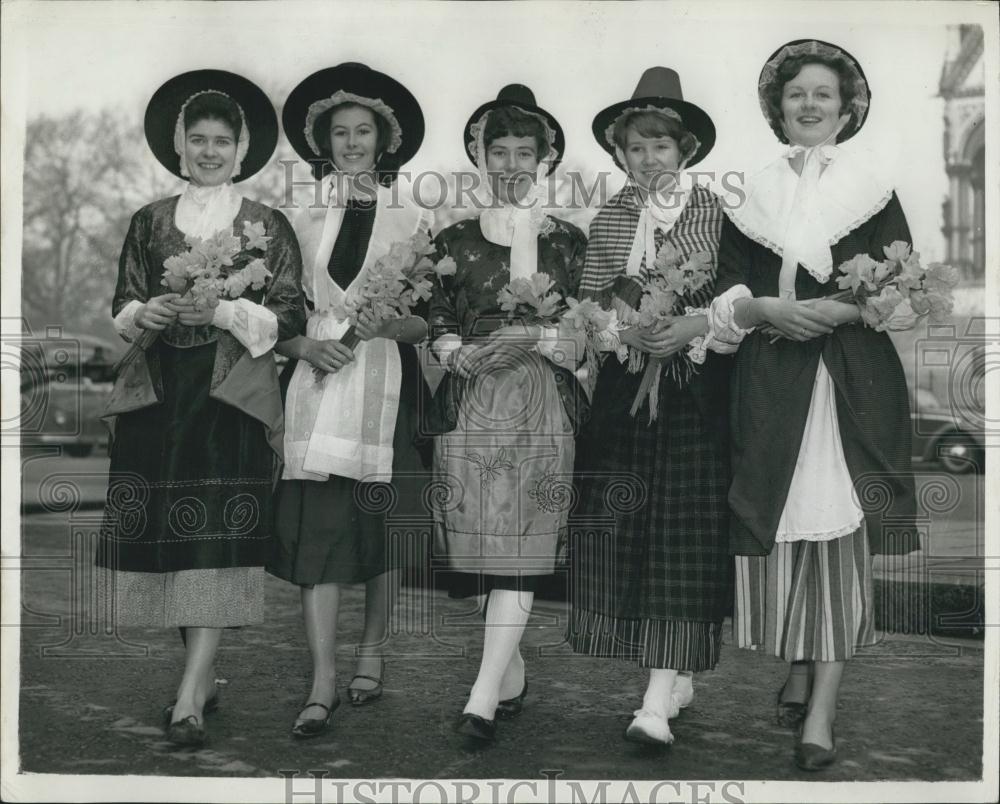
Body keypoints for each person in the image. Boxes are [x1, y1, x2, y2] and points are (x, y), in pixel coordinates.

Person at [702, 39, 920, 770]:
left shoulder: (875, 188)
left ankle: (821, 709)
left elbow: (900, 285)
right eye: (796, 94)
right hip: (771, 381)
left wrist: (839, 312)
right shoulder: (751, 191)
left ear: (847, 107)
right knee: (784, 520)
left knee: (840, 524)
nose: (809, 105)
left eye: (824, 94)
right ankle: (797, 664)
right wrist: (765, 307)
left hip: (851, 377)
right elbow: (728, 288)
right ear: (778, 107)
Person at [98, 69, 305, 747]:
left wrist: (221, 307)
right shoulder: (150, 220)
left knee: (214, 538)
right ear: (180, 147)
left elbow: (286, 315)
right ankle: (202, 671)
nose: (210, 151)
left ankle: (190, 694)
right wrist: (146, 310)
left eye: (223, 140)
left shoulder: (266, 226)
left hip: (227, 396)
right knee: (172, 538)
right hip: (159, 395)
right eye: (199, 140)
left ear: (242, 149)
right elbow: (123, 302)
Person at [567, 68, 732, 747]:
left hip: (692, 394)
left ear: (684, 150)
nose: (649, 158)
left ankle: (657, 702)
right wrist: (619, 329)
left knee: (679, 537)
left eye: (661, 145)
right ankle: (673, 675)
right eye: (636, 147)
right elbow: (590, 301)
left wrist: (687, 329)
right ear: (621, 154)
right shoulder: (610, 216)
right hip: (623, 395)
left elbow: (731, 304)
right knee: (628, 529)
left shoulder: (714, 211)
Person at [268, 63, 431, 739]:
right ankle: (322, 679)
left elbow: (429, 318)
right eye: (342, 133)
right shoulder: (299, 219)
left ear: (384, 141)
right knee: (322, 534)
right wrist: (304, 347)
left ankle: (371, 650)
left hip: (389, 385)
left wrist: (389, 325)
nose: (354, 142)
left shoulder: (412, 217)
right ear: (324, 144)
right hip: (318, 381)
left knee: (380, 527)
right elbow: (276, 313)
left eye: (365, 131)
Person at [427, 85, 587, 743]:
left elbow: (584, 330)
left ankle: (482, 698)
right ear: (481, 157)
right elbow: (436, 314)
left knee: (521, 548)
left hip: (544, 404)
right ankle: (510, 667)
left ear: (545, 158)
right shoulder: (456, 237)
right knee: (482, 551)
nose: (514, 163)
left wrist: (537, 339)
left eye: (527, 151)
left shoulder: (570, 242)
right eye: (501, 151)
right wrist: (453, 349)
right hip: (469, 406)